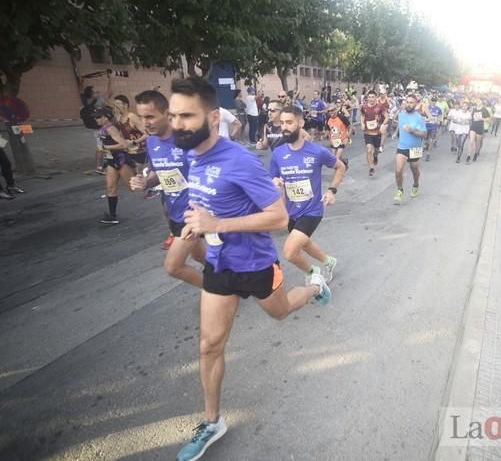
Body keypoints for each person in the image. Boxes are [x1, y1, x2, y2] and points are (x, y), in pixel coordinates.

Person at [170, 77, 331, 461]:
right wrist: (196, 223)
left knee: (281, 312)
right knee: (209, 345)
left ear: (211, 117)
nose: (177, 124)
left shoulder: (239, 159)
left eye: (186, 116)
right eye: (173, 115)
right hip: (219, 265)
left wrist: (217, 225)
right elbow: (209, 202)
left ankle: (314, 286)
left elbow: (278, 217)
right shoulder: (193, 156)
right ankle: (212, 422)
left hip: (257, 264)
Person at [130, 90, 206, 286]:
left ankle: (216, 291)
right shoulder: (151, 141)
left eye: (150, 116)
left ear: (167, 114)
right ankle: (230, 277)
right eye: (141, 117)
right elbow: (159, 174)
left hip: (194, 213)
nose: (145, 122)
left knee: (173, 267)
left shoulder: (188, 139)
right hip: (174, 212)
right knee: (200, 257)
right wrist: (145, 182)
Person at [270, 105, 346, 284]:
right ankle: (329, 262)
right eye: (282, 123)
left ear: (300, 123)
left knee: (289, 251)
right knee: (304, 243)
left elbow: (340, 167)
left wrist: (331, 190)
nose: (284, 127)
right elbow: (272, 176)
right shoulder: (278, 154)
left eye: (289, 122)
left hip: (312, 210)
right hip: (291, 211)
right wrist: (274, 182)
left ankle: (313, 273)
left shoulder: (317, 151)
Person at [93, 107, 135, 224]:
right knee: (110, 188)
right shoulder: (103, 128)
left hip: (121, 159)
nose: (96, 119)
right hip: (112, 161)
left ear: (105, 117)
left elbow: (123, 145)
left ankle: (153, 183)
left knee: (133, 187)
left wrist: (107, 148)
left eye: (98, 117)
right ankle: (112, 215)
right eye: (95, 117)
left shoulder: (111, 128)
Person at [393, 94, 427, 204]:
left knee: (415, 170)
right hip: (402, 146)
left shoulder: (419, 117)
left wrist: (412, 131)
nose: (408, 104)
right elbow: (400, 124)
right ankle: (399, 190)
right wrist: (395, 132)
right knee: (398, 171)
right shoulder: (401, 114)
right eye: (407, 102)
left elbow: (424, 134)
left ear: (415, 104)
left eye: (411, 102)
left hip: (415, 148)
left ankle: (416, 184)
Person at [113, 95, 148, 174]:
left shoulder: (132, 117)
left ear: (125, 105)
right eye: (115, 104)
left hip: (140, 152)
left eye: (118, 103)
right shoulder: (119, 118)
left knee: (141, 176)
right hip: (128, 152)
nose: (116, 106)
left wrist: (134, 142)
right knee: (133, 176)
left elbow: (147, 133)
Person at [360, 90, 388, 176]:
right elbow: (362, 116)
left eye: (373, 97)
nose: (371, 99)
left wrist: (383, 125)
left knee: (376, 150)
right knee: (369, 149)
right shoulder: (364, 107)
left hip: (377, 132)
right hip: (368, 132)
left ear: (376, 98)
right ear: (367, 98)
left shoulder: (380, 107)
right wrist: (362, 123)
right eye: (369, 97)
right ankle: (371, 168)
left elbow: (387, 117)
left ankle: (375, 155)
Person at [325, 104, 351, 168]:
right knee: (335, 157)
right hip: (334, 140)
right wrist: (326, 135)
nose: (330, 112)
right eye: (329, 111)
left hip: (343, 139)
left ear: (336, 110)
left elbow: (350, 127)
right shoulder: (328, 118)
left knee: (336, 158)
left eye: (332, 110)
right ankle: (344, 162)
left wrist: (348, 136)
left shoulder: (342, 117)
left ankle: (339, 173)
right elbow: (328, 129)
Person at [465, 98, 490, 164]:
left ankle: (476, 153)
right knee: (471, 142)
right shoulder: (474, 109)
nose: (478, 102)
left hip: (480, 127)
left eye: (479, 101)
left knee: (478, 143)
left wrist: (482, 118)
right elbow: (471, 118)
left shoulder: (484, 110)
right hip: (473, 127)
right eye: (477, 101)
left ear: (482, 102)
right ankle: (468, 156)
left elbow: (488, 120)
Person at [423, 97, 442, 162]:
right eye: (433, 101)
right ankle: (426, 144)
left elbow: (440, 116)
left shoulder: (438, 109)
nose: (434, 102)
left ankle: (428, 154)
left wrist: (439, 121)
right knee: (426, 139)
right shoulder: (427, 108)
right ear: (430, 101)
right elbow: (423, 115)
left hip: (434, 126)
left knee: (431, 140)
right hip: (426, 126)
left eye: (435, 101)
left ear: (436, 102)